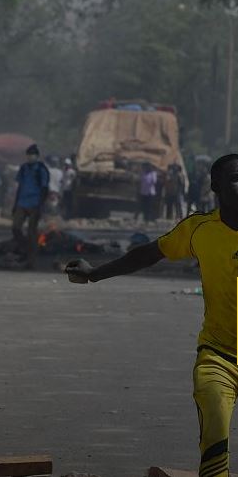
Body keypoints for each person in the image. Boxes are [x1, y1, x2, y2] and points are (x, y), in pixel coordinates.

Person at [65, 153, 238, 477]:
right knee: (214, 437)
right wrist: (94, 273)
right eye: (235, 179)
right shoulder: (199, 229)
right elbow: (148, 254)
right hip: (219, 356)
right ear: (215, 186)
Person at [12, 144, 49, 269]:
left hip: (35, 203)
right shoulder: (23, 168)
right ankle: (24, 249)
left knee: (31, 232)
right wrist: (15, 204)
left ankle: (31, 260)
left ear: (37, 156)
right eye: (28, 155)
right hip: (22, 202)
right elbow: (19, 187)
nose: (30, 157)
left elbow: (45, 188)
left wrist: (41, 205)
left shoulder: (41, 169)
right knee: (15, 228)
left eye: (32, 155)